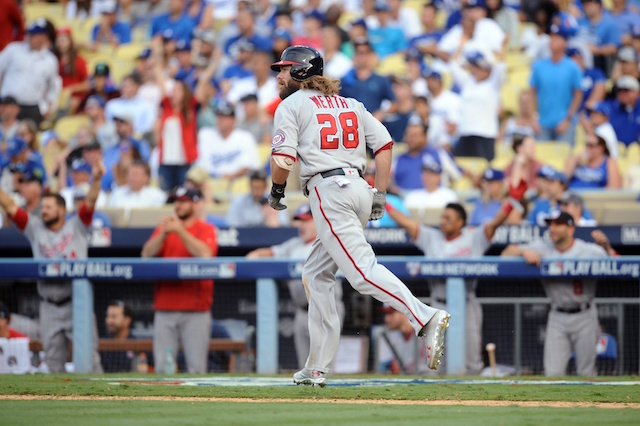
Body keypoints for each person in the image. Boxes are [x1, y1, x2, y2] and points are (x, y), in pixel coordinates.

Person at [269, 45, 451, 387]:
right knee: (315, 274)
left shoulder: (291, 105)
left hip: (329, 191)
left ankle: (425, 317)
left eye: (284, 69)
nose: (278, 76)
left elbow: (283, 159)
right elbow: (383, 144)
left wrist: (277, 192)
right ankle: (317, 366)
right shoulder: (351, 104)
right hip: (358, 188)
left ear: (301, 71)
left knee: (362, 274)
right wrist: (379, 194)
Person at [386, 174, 526, 374]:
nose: (443, 222)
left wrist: (511, 202)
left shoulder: (474, 237)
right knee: (437, 363)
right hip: (437, 303)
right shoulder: (431, 237)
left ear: (461, 222)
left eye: (448, 219)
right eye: (442, 217)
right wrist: (383, 201)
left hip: (466, 303)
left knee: (471, 361)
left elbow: (495, 223)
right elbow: (406, 222)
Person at [0, 161, 106, 373]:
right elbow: (11, 205)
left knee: (90, 361)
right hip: (48, 304)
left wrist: (96, 179)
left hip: (76, 302)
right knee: (53, 362)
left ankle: (101, 402)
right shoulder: (35, 228)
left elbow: (91, 201)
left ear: (62, 209)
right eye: (43, 207)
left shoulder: (77, 226)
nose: (44, 211)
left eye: (49, 207)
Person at [501, 210, 609, 376]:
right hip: (557, 315)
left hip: (585, 314)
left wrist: (607, 247)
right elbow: (505, 254)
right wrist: (524, 252)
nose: (552, 228)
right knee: (552, 373)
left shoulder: (588, 250)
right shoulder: (543, 247)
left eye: (558, 224)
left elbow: (618, 263)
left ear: (571, 229)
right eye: (551, 224)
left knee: (586, 373)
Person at [246, 204, 346, 369]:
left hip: (325, 309)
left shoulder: (329, 242)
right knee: (304, 366)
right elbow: (270, 252)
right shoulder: (294, 245)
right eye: (299, 221)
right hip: (302, 310)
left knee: (324, 366)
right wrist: (254, 255)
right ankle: (307, 395)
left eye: (306, 221)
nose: (301, 225)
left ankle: (327, 395)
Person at [141, 186, 218, 374]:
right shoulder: (165, 228)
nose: (179, 205)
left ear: (195, 204)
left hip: (196, 310)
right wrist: (164, 233)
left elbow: (206, 254)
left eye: (183, 201)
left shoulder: (206, 229)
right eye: (177, 201)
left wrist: (180, 231)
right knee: (162, 368)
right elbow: (146, 255)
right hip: (165, 308)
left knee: (196, 368)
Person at [529, 20, 583, 144]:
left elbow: (578, 95)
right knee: (542, 159)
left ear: (564, 42)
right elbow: (532, 92)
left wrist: (568, 119)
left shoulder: (573, 67)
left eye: (556, 38)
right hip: (542, 123)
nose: (551, 40)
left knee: (563, 160)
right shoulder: (539, 66)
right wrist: (532, 117)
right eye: (551, 37)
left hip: (564, 124)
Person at [0, 19, 61, 127]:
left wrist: (48, 107)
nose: (30, 37)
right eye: (29, 34)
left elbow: (53, 87)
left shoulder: (50, 60)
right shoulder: (13, 50)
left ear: (43, 37)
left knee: (29, 139)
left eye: (34, 35)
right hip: (7, 103)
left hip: (32, 106)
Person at [195, 100, 260, 180]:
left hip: (238, 184)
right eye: (219, 116)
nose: (220, 120)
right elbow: (200, 166)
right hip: (211, 183)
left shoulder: (245, 137)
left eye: (224, 117)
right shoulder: (206, 135)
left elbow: (249, 166)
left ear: (233, 119)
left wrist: (230, 176)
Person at [102, 299, 136, 373]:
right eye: (108, 316)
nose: (109, 321)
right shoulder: (102, 344)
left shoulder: (137, 344)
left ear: (127, 320)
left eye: (114, 317)